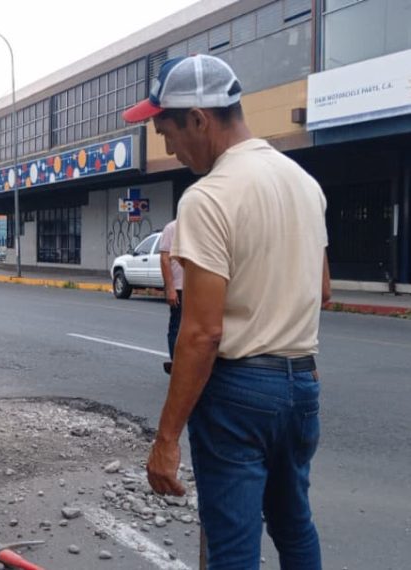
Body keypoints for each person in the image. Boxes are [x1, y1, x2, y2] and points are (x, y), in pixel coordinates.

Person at [123, 54, 330, 568]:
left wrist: (166, 439)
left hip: (239, 393)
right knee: (293, 523)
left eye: (166, 130)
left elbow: (201, 333)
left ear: (199, 118)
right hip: (300, 383)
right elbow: (320, 289)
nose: (168, 146)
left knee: (232, 545)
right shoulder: (305, 185)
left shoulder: (209, 197)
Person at [158, 219, 183, 375]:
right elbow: (164, 259)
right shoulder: (172, 228)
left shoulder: (204, 225)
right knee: (177, 326)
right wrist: (170, 288)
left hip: (200, 288)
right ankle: (177, 364)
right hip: (180, 287)